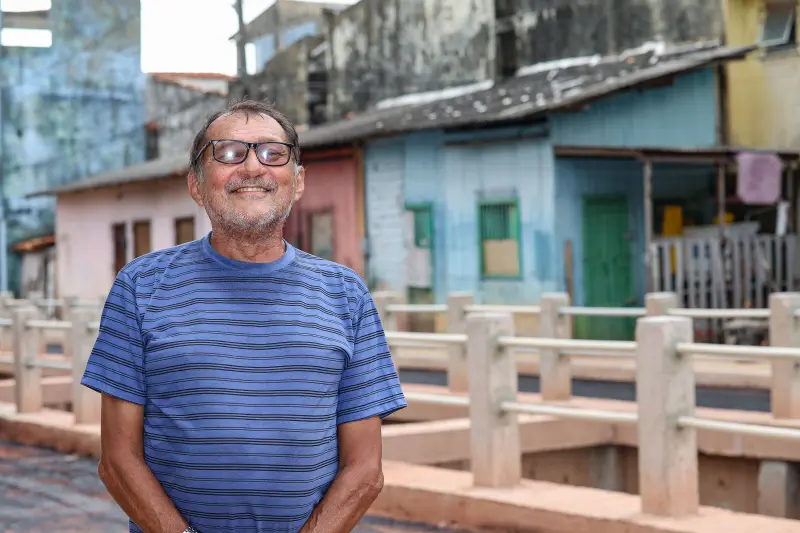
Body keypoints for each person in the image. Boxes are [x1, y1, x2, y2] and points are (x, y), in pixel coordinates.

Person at [81, 99, 407, 533]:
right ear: (196, 185)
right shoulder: (141, 286)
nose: (253, 167)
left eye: (273, 153)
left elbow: (365, 470)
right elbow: (118, 461)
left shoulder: (345, 294)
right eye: (229, 153)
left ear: (298, 181)